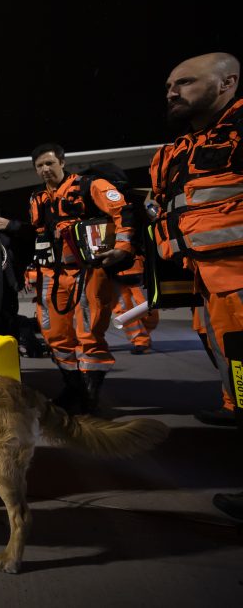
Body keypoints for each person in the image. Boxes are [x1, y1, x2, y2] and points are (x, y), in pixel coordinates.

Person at [149, 52, 242, 518]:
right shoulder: (187, 146)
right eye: (170, 84)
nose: (172, 92)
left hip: (239, 282)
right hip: (212, 283)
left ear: (226, 83)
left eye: (185, 82)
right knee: (239, 377)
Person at [0, 143, 133, 415]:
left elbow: (123, 212)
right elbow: (39, 234)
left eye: (50, 163)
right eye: (40, 166)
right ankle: (72, 387)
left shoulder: (90, 186)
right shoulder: (38, 199)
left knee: (89, 332)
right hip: (53, 273)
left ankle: (89, 394)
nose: (45, 169)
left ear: (62, 162)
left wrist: (122, 246)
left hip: (89, 271)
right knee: (54, 334)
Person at [111, 255, 159, 354]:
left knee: (147, 306)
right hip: (112, 272)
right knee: (121, 310)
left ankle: (146, 333)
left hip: (137, 269)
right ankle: (140, 340)